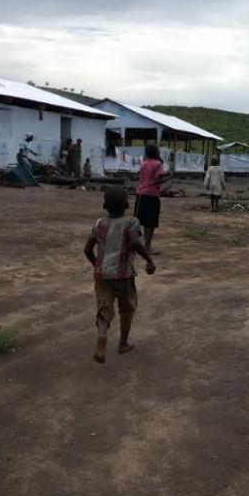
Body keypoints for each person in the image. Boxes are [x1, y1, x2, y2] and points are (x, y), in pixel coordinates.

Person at [83, 186, 156, 363]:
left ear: (104, 206)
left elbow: (87, 250)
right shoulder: (132, 222)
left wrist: (98, 266)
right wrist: (149, 260)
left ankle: (102, 334)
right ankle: (123, 343)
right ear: (126, 204)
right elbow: (134, 242)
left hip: (102, 276)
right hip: (124, 274)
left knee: (104, 308)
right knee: (127, 308)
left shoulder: (99, 223)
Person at [135, 144, 173, 254]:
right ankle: (147, 247)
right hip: (152, 195)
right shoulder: (157, 164)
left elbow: (147, 177)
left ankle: (135, 245)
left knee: (139, 221)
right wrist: (169, 177)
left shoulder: (143, 164)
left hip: (141, 194)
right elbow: (157, 180)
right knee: (150, 223)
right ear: (156, 152)